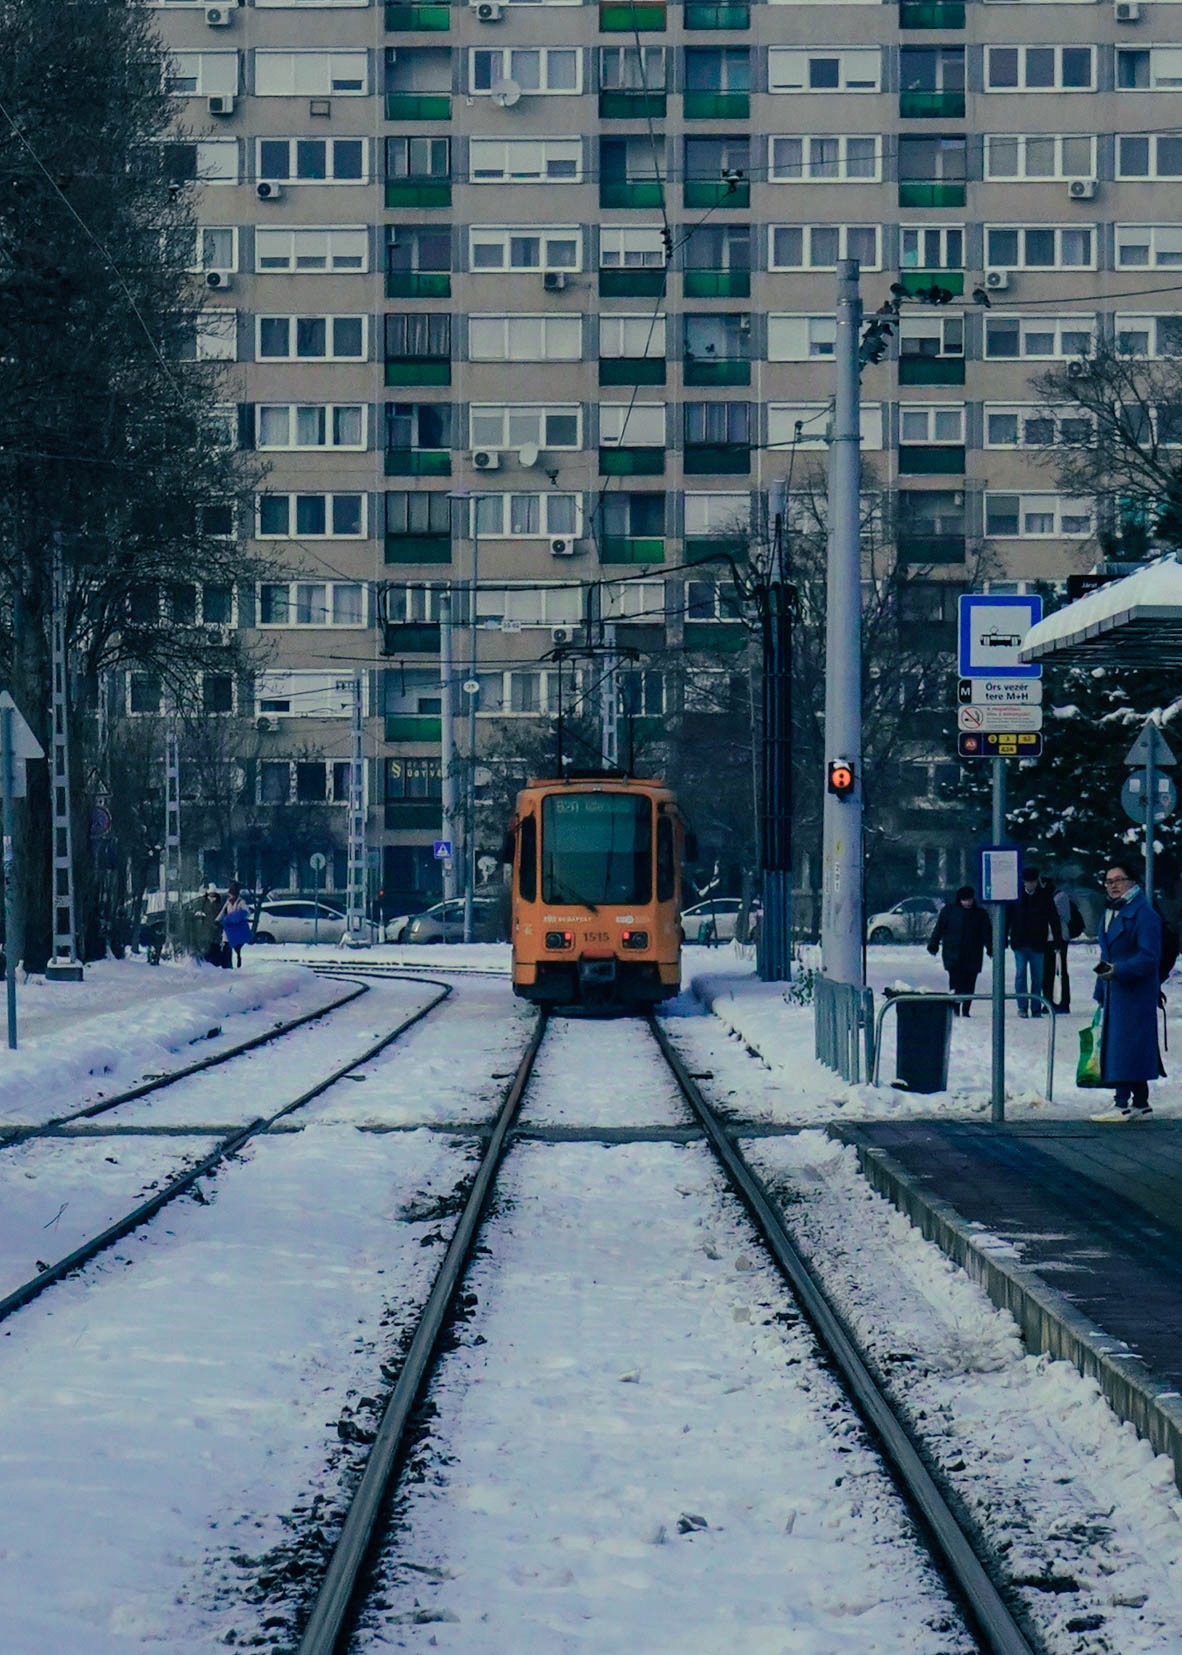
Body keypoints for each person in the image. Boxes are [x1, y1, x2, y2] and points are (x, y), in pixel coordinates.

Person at [1090, 856, 1165, 1122]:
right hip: (1115, 990)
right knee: (1128, 1047)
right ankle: (1140, 1103)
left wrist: (1119, 970)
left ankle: (1122, 1102)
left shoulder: (1143, 914)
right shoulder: (1114, 911)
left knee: (1126, 1047)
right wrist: (1101, 989)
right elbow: (1107, 951)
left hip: (1134, 991)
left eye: (1118, 880)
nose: (1113, 886)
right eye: (1109, 881)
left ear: (1132, 882)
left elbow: (1149, 956)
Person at [1006, 865, 1061, 1017]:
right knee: (1021, 974)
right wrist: (1004, 937)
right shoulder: (1015, 897)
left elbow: (1054, 919)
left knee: (1037, 976)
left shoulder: (1044, 897)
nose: (1030, 884)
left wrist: (1057, 940)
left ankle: (1035, 1007)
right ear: (1024, 882)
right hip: (1019, 941)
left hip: (1038, 942)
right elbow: (1007, 919)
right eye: (1028, 882)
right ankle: (1022, 1006)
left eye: (1033, 882)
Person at [927, 885, 992, 1014]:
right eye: (965, 900)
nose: (967, 903)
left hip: (972, 954)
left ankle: (966, 1008)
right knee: (955, 982)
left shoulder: (980, 914)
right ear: (960, 899)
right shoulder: (949, 911)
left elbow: (987, 933)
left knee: (970, 982)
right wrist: (933, 944)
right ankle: (955, 1008)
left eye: (969, 900)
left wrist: (991, 948)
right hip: (953, 953)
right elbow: (939, 928)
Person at [1041, 877, 1072, 1013]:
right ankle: (1049, 1000)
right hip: (1046, 938)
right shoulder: (1044, 897)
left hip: (1059, 937)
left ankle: (1063, 1001)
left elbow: (1066, 917)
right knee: (1048, 971)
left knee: (1059, 970)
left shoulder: (1060, 897)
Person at [216, 881, 252, 968]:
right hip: (229, 928)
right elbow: (223, 912)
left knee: (236, 946)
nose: (230, 896)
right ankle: (227, 964)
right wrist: (217, 920)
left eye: (231, 894)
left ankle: (238, 960)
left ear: (235, 895)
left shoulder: (241, 902)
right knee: (226, 945)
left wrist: (238, 916)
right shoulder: (228, 902)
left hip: (237, 928)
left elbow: (247, 912)